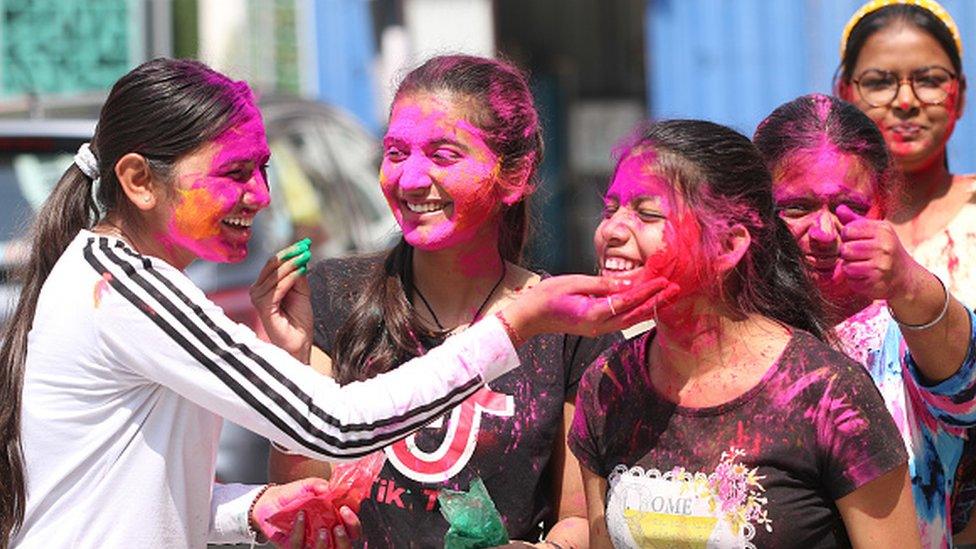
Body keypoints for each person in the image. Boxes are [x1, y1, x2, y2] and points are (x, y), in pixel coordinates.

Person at [0, 58, 665, 549]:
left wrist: (250, 510)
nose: (261, 197)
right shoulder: (127, 287)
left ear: (513, 176)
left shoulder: (122, 279)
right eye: (234, 174)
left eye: (263, 169)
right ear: (140, 181)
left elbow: (141, 493)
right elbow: (336, 427)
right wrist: (512, 326)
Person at [264, 54, 669, 549]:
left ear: (515, 175)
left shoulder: (563, 328)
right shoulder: (334, 295)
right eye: (395, 153)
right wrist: (290, 366)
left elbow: (581, 520)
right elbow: (301, 504)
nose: (410, 179)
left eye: (443, 155)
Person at [569, 119, 921, 548]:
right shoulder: (608, 384)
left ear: (728, 246)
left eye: (647, 214)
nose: (612, 231)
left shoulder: (826, 394)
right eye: (610, 210)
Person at [754, 92, 976, 548]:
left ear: (884, 204)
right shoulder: (729, 338)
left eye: (848, 208)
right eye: (796, 207)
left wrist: (908, 282)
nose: (822, 233)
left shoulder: (912, 342)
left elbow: (968, 383)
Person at [835, 2, 976, 541]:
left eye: (930, 81)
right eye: (880, 82)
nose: (906, 101)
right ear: (845, 92)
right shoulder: (816, 231)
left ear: (958, 93)